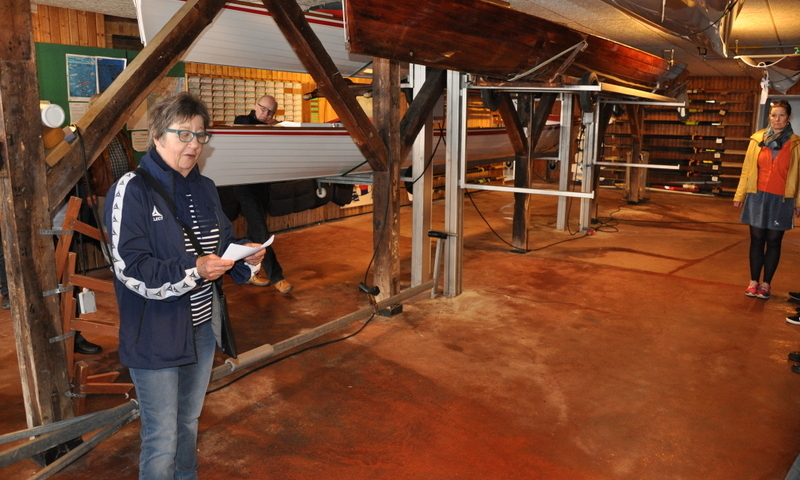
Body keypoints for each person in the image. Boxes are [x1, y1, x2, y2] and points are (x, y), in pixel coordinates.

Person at [104, 92, 265, 480]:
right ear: (157, 136)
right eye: (184, 134)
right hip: (155, 331)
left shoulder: (206, 187)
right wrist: (194, 269)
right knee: (162, 435)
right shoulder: (133, 189)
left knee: (188, 421)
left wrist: (244, 257)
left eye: (200, 135)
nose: (194, 144)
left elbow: (221, 244)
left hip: (202, 329)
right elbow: (131, 267)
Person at [733, 99, 800, 300]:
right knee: (757, 239)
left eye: (781, 115)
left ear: (789, 117)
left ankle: (766, 284)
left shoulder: (796, 143)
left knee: (774, 240)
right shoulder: (757, 140)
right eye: (774, 115)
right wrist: (740, 194)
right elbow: (747, 169)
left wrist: (798, 203)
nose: (777, 119)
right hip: (757, 195)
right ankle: (753, 281)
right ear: (769, 117)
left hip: (782, 199)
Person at [232, 95, 293, 294]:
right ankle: (277, 277)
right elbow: (245, 124)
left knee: (253, 233)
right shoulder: (243, 120)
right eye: (263, 109)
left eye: (270, 112)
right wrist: (271, 125)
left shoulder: (273, 126)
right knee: (261, 232)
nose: (266, 114)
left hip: (263, 185)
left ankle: (248, 273)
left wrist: (279, 126)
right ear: (255, 106)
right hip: (244, 186)